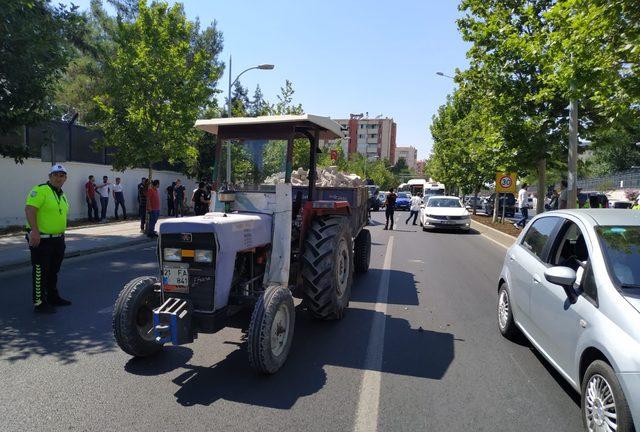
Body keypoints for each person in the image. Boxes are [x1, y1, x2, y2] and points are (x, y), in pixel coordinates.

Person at [25, 164, 72, 313]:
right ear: (50, 177)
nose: (59, 178)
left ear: (65, 178)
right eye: (56, 175)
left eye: (61, 175)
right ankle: (39, 303)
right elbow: (30, 209)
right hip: (42, 239)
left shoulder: (62, 194)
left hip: (58, 239)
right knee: (40, 271)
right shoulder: (40, 190)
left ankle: (53, 297)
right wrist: (35, 231)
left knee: (53, 271)